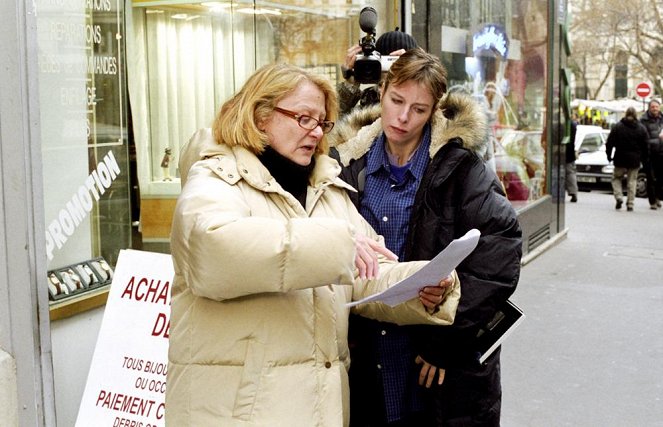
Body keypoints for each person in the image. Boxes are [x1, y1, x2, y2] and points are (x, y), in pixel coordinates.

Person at [165, 63, 463, 426]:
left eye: (321, 123)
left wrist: (421, 285)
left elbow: (368, 267)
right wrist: (336, 247)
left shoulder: (326, 186)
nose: (314, 132)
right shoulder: (216, 176)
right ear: (261, 116)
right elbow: (211, 250)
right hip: (241, 411)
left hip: (319, 405)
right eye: (303, 118)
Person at [329, 48, 522, 426]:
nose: (402, 117)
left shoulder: (460, 168)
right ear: (382, 91)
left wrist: (446, 343)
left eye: (418, 109)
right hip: (367, 357)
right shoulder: (346, 165)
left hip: (437, 366)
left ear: (434, 109)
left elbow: (501, 253)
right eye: (396, 100)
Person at [338, 29, 418, 116]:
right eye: (386, 61)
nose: (391, 70)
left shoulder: (422, 96)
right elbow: (332, 121)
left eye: (398, 63)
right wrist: (349, 85)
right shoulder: (369, 97)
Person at [606, 107, 649, 211]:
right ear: (635, 115)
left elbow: (609, 143)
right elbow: (646, 146)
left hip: (620, 157)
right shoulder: (641, 128)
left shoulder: (617, 127)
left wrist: (609, 156)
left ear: (625, 114)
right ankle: (630, 203)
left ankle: (619, 197)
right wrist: (644, 159)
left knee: (616, 178)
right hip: (635, 159)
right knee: (632, 181)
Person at [640, 99, 663, 210]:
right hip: (649, 153)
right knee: (650, 178)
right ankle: (652, 201)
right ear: (649, 108)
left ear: (659, 107)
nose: (655, 109)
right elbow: (643, 138)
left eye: (656, 107)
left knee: (660, 178)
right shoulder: (644, 120)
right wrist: (657, 139)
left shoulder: (662, 119)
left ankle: (658, 197)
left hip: (661, 152)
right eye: (653, 107)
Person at [565, 114, 579, 202]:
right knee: (570, 173)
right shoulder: (573, 125)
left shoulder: (560, 123)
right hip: (570, 152)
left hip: (558, 151)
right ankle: (573, 192)